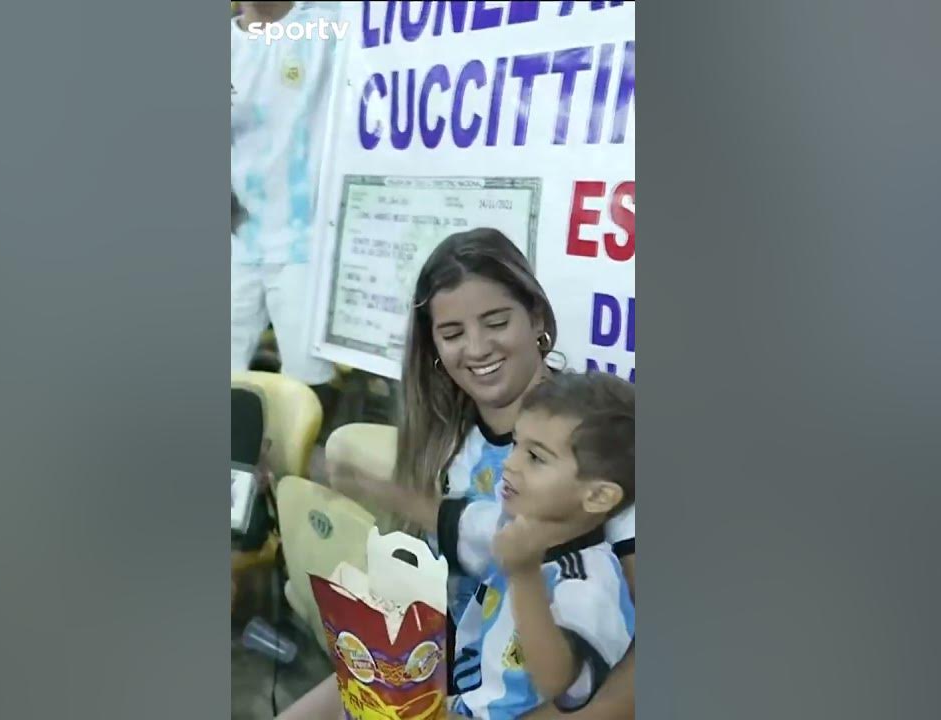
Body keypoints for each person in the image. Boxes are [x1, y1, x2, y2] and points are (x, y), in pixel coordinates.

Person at [275, 228, 637, 719]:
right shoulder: (450, 441)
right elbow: (454, 581)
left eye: (496, 321)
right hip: (452, 677)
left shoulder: (596, 441)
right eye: (452, 334)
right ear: (435, 348)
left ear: (536, 317)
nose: (478, 347)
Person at [445, 370, 635, 717]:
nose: (510, 463)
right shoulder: (515, 531)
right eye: (516, 444)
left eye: (536, 457)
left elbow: (559, 683)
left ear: (598, 496)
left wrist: (524, 575)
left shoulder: (590, 582)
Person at [231, 1, 339, 404]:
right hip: (235, 239)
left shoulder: (325, 27)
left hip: (305, 245)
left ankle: (294, 464)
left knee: (307, 390)